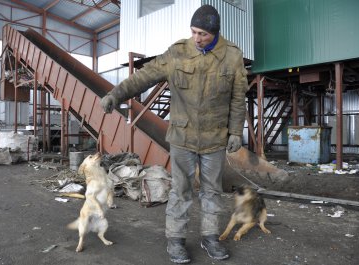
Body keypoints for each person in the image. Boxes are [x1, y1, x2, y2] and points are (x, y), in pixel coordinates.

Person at [100, 4, 248, 264]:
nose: (197, 38)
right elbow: (143, 76)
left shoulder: (232, 57)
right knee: (181, 190)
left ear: (215, 33)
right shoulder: (177, 53)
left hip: (215, 138)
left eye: (202, 34)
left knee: (212, 191)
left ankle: (210, 236)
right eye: (193, 32)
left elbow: (238, 98)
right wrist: (116, 94)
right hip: (182, 138)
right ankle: (176, 240)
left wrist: (236, 131)